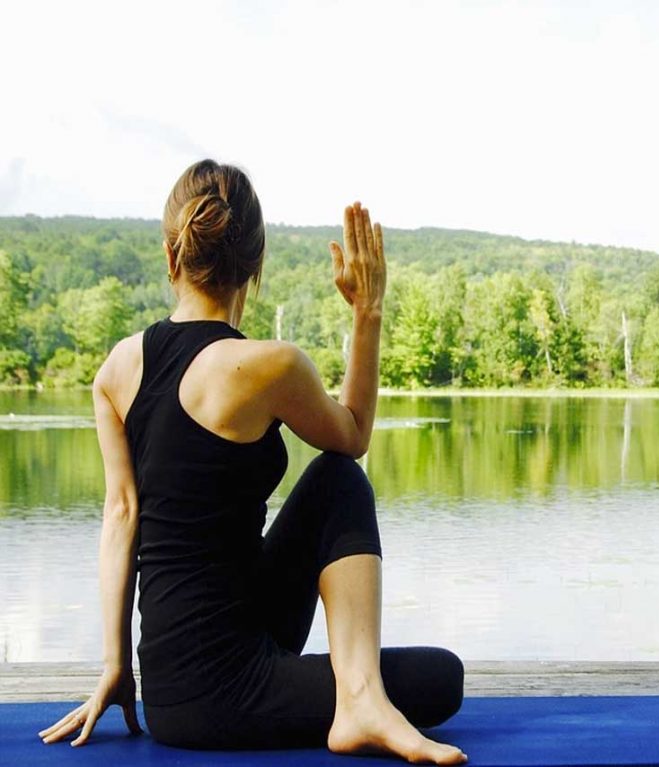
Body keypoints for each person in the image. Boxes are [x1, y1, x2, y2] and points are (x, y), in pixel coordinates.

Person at [36, 159, 468, 764]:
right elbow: (355, 434)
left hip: (166, 692)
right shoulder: (269, 365)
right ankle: (361, 700)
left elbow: (120, 516)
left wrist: (115, 665)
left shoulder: (116, 369)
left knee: (332, 481)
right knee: (440, 676)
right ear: (256, 267)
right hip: (224, 695)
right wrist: (367, 314)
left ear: (171, 256)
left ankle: (358, 697)